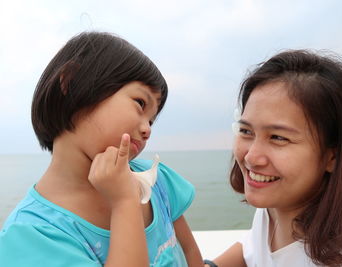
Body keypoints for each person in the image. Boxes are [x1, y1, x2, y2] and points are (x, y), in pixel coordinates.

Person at [0, 32, 202, 266]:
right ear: (72, 83)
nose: (147, 129)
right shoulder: (32, 235)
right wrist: (125, 201)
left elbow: (189, 252)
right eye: (140, 103)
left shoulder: (155, 180)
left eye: (152, 120)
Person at [205, 50, 342, 267]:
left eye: (278, 138)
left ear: (333, 155)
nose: (252, 157)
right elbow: (251, 249)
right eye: (246, 131)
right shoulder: (273, 209)